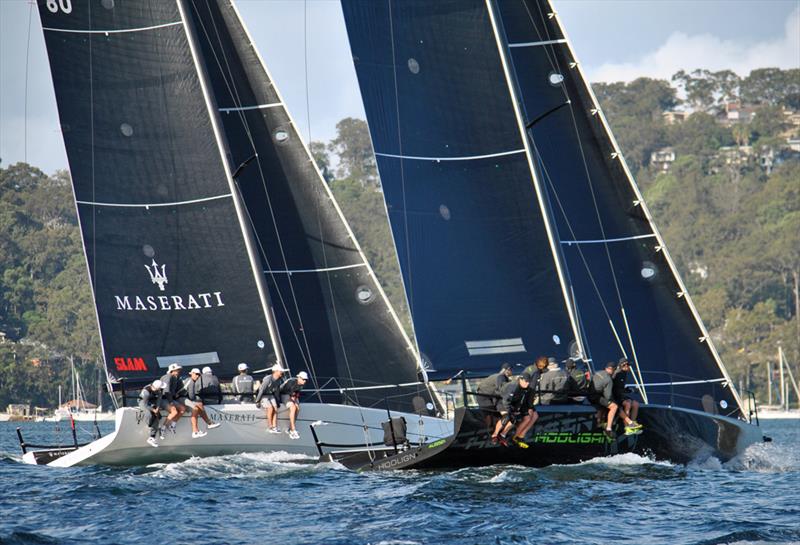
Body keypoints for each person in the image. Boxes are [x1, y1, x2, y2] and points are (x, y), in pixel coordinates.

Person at [492, 372, 538, 448]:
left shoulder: (525, 388)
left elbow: (520, 400)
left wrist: (516, 411)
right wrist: (510, 412)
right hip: (500, 400)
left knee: (515, 417)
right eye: (526, 381)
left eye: (529, 382)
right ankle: (494, 435)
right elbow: (506, 401)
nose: (527, 383)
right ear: (521, 380)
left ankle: (502, 435)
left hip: (511, 403)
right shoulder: (513, 386)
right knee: (507, 416)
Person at [185, 368, 222, 439]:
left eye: (199, 375)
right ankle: (207, 424)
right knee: (197, 405)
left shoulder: (191, 381)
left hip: (184, 399)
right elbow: (191, 396)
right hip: (181, 399)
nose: (198, 376)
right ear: (192, 374)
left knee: (197, 405)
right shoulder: (191, 381)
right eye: (196, 374)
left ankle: (197, 430)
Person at [475, 363, 513, 427]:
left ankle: (495, 430)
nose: (512, 371)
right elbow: (502, 391)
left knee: (497, 413)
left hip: (492, 396)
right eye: (511, 369)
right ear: (506, 370)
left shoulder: (503, 378)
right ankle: (487, 432)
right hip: (483, 396)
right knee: (489, 414)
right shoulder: (500, 376)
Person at [613, 357, 642, 435]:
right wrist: (630, 390)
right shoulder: (617, 373)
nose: (629, 367)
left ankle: (633, 425)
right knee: (627, 404)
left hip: (621, 394)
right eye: (628, 365)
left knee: (635, 404)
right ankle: (627, 428)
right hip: (615, 396)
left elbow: (621, 388)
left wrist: (631, 390)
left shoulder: (624, 373)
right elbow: (615, 388)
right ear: (624, 365)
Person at [255, 363, 286, 434]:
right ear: (275, 371)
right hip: (264, 395)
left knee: (275, 408)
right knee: (270, 408)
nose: (282, 372)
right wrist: (257, 401)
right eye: (280, 371)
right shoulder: (268, 379)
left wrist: (277, 401)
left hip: (270, 395)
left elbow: (277, 391)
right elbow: (261, 390)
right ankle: (270, 427)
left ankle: (274, 426)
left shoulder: (279, 380)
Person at [160, 363, 188, 436]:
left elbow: (177, 390)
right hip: (163, 399)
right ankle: (163, 428)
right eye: (177, 370)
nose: (179, 371)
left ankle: (172, 425)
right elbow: (166, 391)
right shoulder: (167, 377)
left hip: (170, 399)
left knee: (182, 409)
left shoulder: (175, 378)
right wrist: (171, 402)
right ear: (172, 370)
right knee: (174, 412)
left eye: (179, 369)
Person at [280, 371, 308, 439]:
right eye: (303, 379)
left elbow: (296, 393)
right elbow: (281, 390)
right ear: (299, 378)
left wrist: (294, 399)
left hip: (292, 396)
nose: (304, 381)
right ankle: (293, 429)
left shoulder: (302, 384)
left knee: (297, 408)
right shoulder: (291, 381)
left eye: (306, 380)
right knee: (293, 407)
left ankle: (290, 428)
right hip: (284, 394)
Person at [139, 380, 167, 447]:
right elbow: (145, 404)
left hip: (152, 402)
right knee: (150, 414)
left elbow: (159, 399)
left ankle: (152, 437)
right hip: (143, 402)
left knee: (158, 416)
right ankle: (150, 426)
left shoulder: (160, 390)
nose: (162, 388)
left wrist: (157, 407)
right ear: (157, 388)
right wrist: (153, 409)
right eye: (161, 387)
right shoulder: (146, 392)